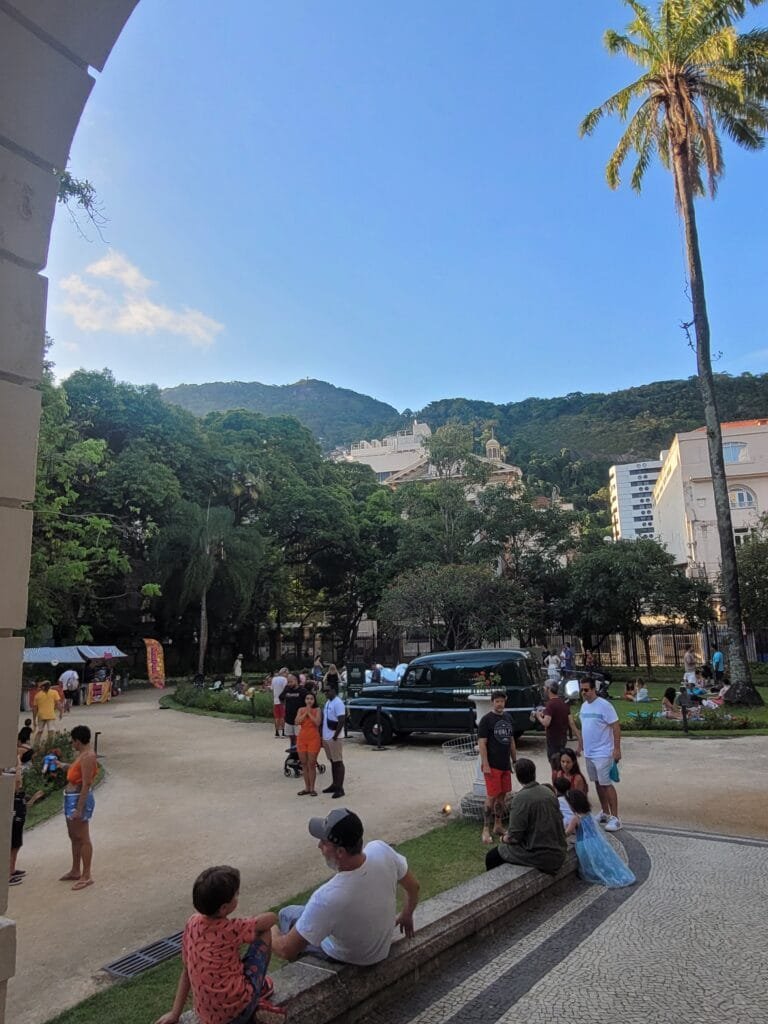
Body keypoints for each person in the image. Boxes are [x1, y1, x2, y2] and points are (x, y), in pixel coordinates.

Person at [271, 809, 419, 965]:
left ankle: (297, 965)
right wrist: (406, 914)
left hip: (349, 957)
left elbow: (285, 949)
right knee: (307, 913)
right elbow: (414, 887)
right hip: (380, 949)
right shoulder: (381, 850)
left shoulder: (327, 898)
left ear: (340, 852)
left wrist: (271, 930)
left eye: (324, 842)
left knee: (285, 914)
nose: (319, 846)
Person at [155, 865, 277, 1024]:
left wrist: (175, 1013)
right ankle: (256, 992)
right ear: (224, 908)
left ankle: (252, 995)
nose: (237, 897)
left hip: (207, 1018)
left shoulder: (192, 923)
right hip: (238, 1011)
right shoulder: (232, 928)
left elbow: (187, 970)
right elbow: (271, 918)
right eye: (236, 895)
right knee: (265, 932)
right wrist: (250, 921)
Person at [484, 759, 567, 875]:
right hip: (558, 850)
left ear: (518, 777)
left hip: (539, 854)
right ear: (534, 773)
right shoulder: (548, 792)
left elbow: (514, 837)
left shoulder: (520, 798)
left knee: (491, 857)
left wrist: (503, 838)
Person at [564, 789, 635, 888]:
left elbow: (568, 832)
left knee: (589, 864)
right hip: (596, 841)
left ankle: (592, 874)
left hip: (584, 844)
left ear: (572, 805)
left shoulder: (575, 818)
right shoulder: (588, 814)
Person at [577, 676, 622, 832]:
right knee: (597, 782)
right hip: (590, 752)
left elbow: (615, 726)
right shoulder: (583, 707)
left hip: (603, 751)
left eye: (587, 690)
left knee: (606, 783)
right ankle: (605, 812)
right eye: (582, 690)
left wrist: (616, 749)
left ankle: (615, 817)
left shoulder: (604, 706)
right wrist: (581, 745)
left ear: (593, 689)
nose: (584, 693)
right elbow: (585, 728)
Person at [59, 724, 98, 890]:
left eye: (73, 741)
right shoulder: (82, 755)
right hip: (70, 797)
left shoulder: (88, 756)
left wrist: (79, 808)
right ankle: (76, 869)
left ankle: (86, 874)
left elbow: (86, 783)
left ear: (78, 741)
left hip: (78, 799)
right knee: (74, 836)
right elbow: (76, 771)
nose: (72, 744)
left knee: (82, 837)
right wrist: (62, 765)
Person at [477, 691, 517, 845]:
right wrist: (485, 764)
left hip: (505, 764)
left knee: (502, 796)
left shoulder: (508, 718)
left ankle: (498, 825)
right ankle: (485, 828)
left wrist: (514, 760)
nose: (500, 704)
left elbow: (511, 740)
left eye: (502, 701)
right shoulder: (486, 720)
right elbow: (482, 743)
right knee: (491, 796)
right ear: (492, 702)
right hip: (492, 765)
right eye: (497, 701)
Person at [9, 750, 44, 885]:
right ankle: (7, 874)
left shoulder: (18, 793)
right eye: (19, 769)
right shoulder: (11, 787)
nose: (21, 772)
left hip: (18, 808)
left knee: (16, 843)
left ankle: (11, 869)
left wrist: (34, 798)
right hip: (14, 809)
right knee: (12, 843)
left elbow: (25, 807)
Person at [535, 682, 578, 770]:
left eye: (544, 688)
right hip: (562, 738)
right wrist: (579, 738)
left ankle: (557, 782)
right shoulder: (563, 703)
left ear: (549, 689)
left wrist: (538, 716)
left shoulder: (550, 704)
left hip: (553, 740)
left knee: (555, 765)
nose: (543, 690)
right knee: (561, 764)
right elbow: (571, 722)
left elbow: (546, 722)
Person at [321, 680, 346, 798]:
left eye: (328, 691)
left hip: (334, 737)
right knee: (332, 761)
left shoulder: (338, 703)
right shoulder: (328, 702)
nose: (325, 693)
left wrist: (335, 735)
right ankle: (334, 784)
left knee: (338, 762)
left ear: (334, 691)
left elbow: (341, 719)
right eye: (324, 691)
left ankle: (340, 788)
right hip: (327, 736)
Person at [295, 691, 322, 796]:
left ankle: (312, 788)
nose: (309, 700)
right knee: (304, 764)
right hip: (302, 738)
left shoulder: (317, 710)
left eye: (311, 699)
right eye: (307, 699)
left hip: (313, 738)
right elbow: (297, 722)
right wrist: (305, 713)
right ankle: (306, 787)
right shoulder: (300, 709)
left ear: (314, 700)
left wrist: (309, 712)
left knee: (311, 763)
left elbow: (317, 722)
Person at [279, 673, 307, 755]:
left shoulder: (302, 691)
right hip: (288, 718)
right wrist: (284, 705)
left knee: (299, 738)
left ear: (296, 681)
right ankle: (293, 754)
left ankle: (300, 754)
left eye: (291, 682)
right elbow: (281, 697)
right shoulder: (287, 689)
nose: (289, 684)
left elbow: (308, 703)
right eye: (288, 682)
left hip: (299, 720)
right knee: (291, 737)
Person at [33, 680, 62, 744]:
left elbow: (35, 708)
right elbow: (58, 703)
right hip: (50, 715)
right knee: (51, 731)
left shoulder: (37, 695)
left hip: (41, 715)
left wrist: (34, 719)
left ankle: (36, 745)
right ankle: (49, 745)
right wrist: (61, 712)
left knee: (40, 731)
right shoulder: (54, 692)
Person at [268, 668, 288, 738]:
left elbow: (271, 689)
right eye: (287, 673)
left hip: (276, 700)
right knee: (282, 716)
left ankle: (277, 732)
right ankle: (283, 732)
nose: (287, 675)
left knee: (277, 717)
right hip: (282, 700)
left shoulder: (274, 679)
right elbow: (285, 689)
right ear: (284, 672)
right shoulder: (284, 679)